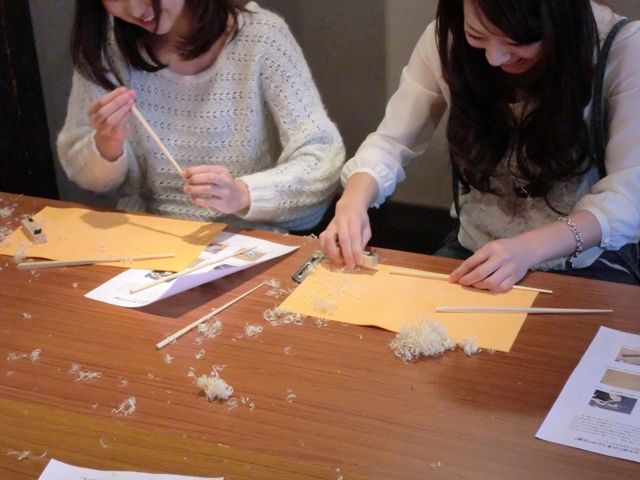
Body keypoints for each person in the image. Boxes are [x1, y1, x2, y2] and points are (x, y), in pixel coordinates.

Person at [320, 0, 640, 291]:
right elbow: (392, 141)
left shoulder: (621, 48)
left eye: (517, 42)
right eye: (477, 35)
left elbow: (627, 196)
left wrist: (529, 248)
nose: (493, 57)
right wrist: (353, 203)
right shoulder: (446, 39)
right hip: (474, 252)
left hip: (587, 261)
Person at [58, 0, 344, 232]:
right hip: (147, 236)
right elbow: (88, 178)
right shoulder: (105, 49)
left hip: (249, 243)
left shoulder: (262, 38)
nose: (135, 9)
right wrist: (107, 144)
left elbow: (322, 159)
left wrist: (243, 194)